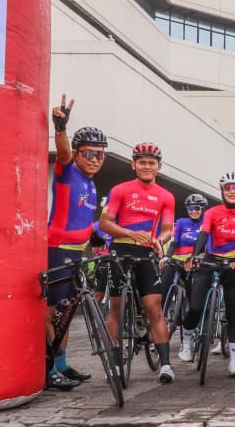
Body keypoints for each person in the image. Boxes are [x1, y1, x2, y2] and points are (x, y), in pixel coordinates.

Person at [100, 142, 177, 383]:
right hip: (120, 251)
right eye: (142, 162)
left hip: (147, 253)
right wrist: (130, 234)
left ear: (159, 167)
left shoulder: (166, 196)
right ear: (134, 165)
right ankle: (113, 363)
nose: (146, 166)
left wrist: (159, 240)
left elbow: (167, 229)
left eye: (151, 163)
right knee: (115, 307)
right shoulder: (120, 190)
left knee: (154, 308)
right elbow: (105, 223)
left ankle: (165, 364)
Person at [45, 94, 104, 390]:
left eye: (99, 154)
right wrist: (61, 128)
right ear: (79, 154)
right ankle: (46, 370)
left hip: (76, 255)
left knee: (66, 312)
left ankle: (62, 364)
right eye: (88, 153)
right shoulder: (68, 171)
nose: (94, 159)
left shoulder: (92, 184)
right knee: (51, 312)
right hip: (56, 251)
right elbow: (64, 153)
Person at [180, 173, 235, 376]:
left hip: (232, 265)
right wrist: (196, 255)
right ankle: (186, 343)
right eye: (228, 188)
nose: (232, 192)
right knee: (195, 307)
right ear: (222, 190)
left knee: (233, 315)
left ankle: (234, 362)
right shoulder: (213, 212)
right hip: (210, 261)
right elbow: (204, 235)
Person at [161, 193, 206, 308]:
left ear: (202, 209)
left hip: (192, 262)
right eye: (190, 208)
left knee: (193, 292)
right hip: (176, 260)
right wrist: (167, 256)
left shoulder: (206, 223)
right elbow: (174, 243)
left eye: (197, 208)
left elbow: (205, 245)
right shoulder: (181, 222)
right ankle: (161, 314)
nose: (193, 211)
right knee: (164, 287)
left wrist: (197, 259)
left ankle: (192, 319)